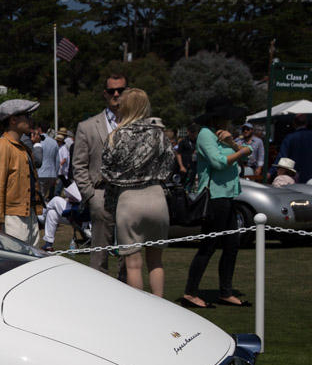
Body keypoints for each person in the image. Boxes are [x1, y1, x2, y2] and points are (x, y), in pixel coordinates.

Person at [100, 88, 175, 297]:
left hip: (129, 199)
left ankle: (141, 311)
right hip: (156, 198)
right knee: (156, 262)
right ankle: (160, 307)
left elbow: (106, 171)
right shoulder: (159, 134)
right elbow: (168, 168)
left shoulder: (116, 136)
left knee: (133, 265)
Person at [181, 95, 253, 309]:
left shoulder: (223, 135)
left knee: (232, 245)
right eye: (226, 117)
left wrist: (232, 143)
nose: (229, 121)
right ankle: (190, 293)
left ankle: (226, 292)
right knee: (208, 246)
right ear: (218, 118)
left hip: (228, 195)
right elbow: (219, 162)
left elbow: (248, 156)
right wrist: (239, 150)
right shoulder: (205, 135)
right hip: (214, 197)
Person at [73, 73, 128, 273]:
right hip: (100, 194)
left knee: (129, 254)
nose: (116, 94)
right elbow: (79, 165)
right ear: (105, 94)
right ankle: (97, 297)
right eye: (112, 90)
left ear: (127, 92)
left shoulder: (137, 124)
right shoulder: (87, 127)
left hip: (130, 195)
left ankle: (128, 293)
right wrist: (90, 195)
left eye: (120, 90)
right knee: (99, 254)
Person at [0, 99, 43, 245]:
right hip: (12, 218)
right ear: (13, 120)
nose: (31, 119)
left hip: (27, 214)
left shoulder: (22, 147)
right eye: (27, 115)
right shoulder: (2, 147)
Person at [278, 113, 312, 182]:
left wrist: (271, 172)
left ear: (294, 123)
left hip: (295, 175)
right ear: (306, 123)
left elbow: (282, 157)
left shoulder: (289, 138)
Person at [31, 122, 59, 200]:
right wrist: (56, 175)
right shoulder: (54, 142)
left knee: (39, 197)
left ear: (39, 129)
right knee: (42, 196)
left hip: (41, 173)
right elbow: (57, 160)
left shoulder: (38, 141)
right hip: (51, 174)